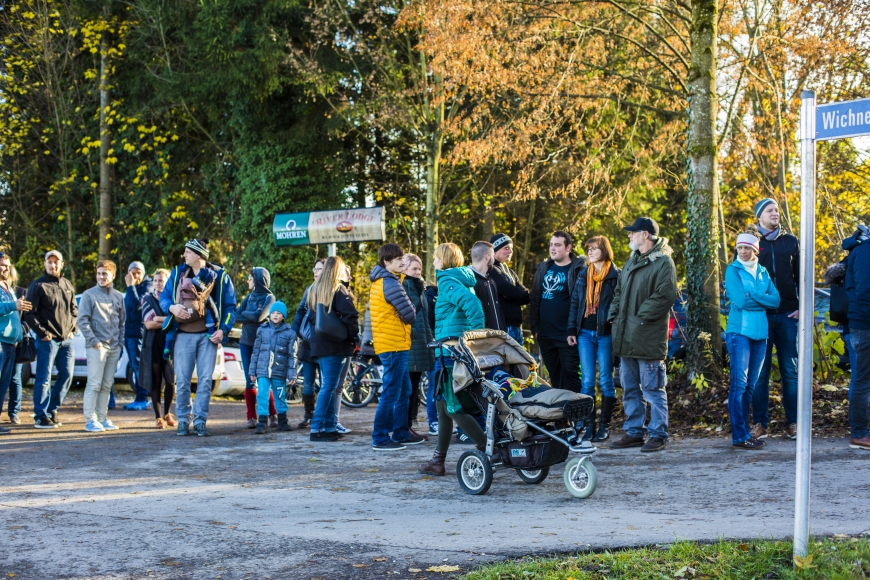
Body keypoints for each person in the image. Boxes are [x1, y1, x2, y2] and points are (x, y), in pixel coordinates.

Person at [608, 217, 677, 453]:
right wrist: (614, 316)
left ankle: (658, 435)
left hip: (647, 335)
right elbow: (619, 292)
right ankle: (634, 432)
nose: (629, 235)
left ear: (645, 234)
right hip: (626, 335)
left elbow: (665, 295)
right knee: (630, 389)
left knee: (652, 389)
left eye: (633, 232)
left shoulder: (663, 262)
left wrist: (639, 318)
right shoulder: (631, 261)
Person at [419, 243, 487, 476]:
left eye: (436, 257)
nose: (433, 262)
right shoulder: (461, 280)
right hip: (447, 353)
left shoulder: (448, 281)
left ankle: (488, 447)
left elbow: (473, 305)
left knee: (453, 408)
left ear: (443, 260)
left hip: (451, 354)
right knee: (442, 408)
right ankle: (437, 461)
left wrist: (475, 338)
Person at [160, 238, 236, 437]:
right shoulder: (178, 273)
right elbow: (164, 297)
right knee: (182, 380)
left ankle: (200, 421)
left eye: (188, 252)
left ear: (199, 255)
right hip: (182, 335)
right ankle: (183, 420)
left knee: (205, 381)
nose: (184, 255)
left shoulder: (219, 275)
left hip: (208, 336)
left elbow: (230, 306)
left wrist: (223, 330)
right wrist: (172, 307)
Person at [724, 233, 780, 450]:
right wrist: (761, 299)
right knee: (739, 385)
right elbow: (740, 301)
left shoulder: (763, 272)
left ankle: (746, 433)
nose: (743, 252)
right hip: (739, 333)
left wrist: (753, 295)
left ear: (755, 250)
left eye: (747, 248)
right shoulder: (733, 270)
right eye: (740, 248)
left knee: (750, 386)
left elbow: (776, 300)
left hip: (760, 334)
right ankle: (739, 436)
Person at [751, 198, 801, 440]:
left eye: (777, 210)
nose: (775, 213)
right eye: (770, 210)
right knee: (760, 373)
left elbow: (802, 276)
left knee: (790, 370)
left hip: (788, 314)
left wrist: (802, 307)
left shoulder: (791, 242)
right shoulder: (751, 243)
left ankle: (793, 423)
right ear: (759, 216)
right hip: (761, 316)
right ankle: (760, 423)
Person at [567, 236, 620, 441]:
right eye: (588, 249)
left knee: (606, 380)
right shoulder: (583, 274)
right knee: (587, 381)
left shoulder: (615, 276)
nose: (589, 252)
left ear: (604, 250)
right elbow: (575, 304)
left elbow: (619, 306)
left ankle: (604, 426)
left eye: (594, 248)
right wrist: (571, 330)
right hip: (584, 334)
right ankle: (589, 425)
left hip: (605, 334)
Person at [369, 243, 422, 451]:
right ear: (386, 262)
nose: (403, 262)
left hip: (395, 343)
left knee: (404, 390)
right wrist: (405, 312)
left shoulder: (388, 281)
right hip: (393, 345)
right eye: (399, 259)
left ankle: (400, 432)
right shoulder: (390, 283)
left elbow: (407, 312)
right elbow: (410, 314)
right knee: (391, 392)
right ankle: (380, 438)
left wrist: (404, 311)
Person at [307, 256, 359, 442]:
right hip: (336, 344)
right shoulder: (338, 289)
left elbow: (311, 318)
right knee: (330, 386)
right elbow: (350, 316)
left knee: (328, 386)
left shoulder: (314, 290)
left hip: (319, 344)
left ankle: (328, 426)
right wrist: (353, 338)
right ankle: (317, 428)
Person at [25, 250, 78, 429]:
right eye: (50, 262)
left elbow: (74, 310)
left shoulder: (67, 284)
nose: (53, 265)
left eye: (56, 262)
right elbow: (29, 314)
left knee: (67, 375)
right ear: (45, 263)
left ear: (61, 264)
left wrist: (73, 329)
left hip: (67, 341)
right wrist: (43, 334)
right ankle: (40, 416)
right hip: (47, 341)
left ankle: (51, 409)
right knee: (43, 378)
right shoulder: (37, 285)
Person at [530, 231, 586, 392]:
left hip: (567, 335)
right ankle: (561, 408)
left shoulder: (578, 270)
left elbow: (580, 303)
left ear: (568, 248)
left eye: (557, 245)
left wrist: (574, 330)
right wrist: (535, 328)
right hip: (545, 334)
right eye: (551, 245)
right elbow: (535, 298)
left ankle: (579, 407)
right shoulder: (543, 268)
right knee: (555, 377)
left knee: (571, 375)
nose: (552, 249)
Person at [78, 260, 126, 433]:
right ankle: (90, 420)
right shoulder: (88, 295)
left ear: (112, 275)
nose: (101, 277)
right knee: (94, 384)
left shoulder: (118, 296)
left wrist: (120, 343)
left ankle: (101, 418)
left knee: (106, 385)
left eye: (104, 273)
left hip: (114, 347)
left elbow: (122, 323)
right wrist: (94, 341)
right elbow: (82, 321)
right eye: (99, 273)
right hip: (97, 347)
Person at [236, 268, 277, 429]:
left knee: (264, 378)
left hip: (263, 344)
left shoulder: (269, 298)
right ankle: (251, 417)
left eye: (250, 278)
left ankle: (272, 414)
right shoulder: (248, 297)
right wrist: (252, 314)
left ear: (259, 280)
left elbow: (259, 317)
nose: (248, 281)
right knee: (250, 380)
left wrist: (249, 314)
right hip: (246, 343)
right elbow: (236, 316)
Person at [249, 301, 297, 434]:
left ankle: (283, 421)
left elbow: (292, 355)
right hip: (262, 370)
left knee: (280, 395)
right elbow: (256, 351)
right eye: (273, 313)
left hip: (279, 371)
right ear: (269, 315)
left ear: (283, 316)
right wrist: (252, 371)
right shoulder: (262, 330)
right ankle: (262, 422)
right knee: (262, 395)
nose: (275, 315)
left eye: (279, 313)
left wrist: (292, 374)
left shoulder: (290, 333)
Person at [402, 254, 434, 437]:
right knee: (408, 389)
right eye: (414, 268)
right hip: (411, 344)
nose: (417, 272)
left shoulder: (418, 287)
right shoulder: (406, 286)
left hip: (420, 342)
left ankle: (409, 425)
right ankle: (405, 427)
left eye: (419, 269)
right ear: (404, 268)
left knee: (414, 388)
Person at [844, 224, 870, 450]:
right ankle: (859, 434)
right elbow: (864, 292)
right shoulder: (864, 251)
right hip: (864, 326)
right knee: (862, 381)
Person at [290, 259, 324, 428]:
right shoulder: (309, 290)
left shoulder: (332, 290)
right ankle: (308, 415)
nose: (315, 272)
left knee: (326, 384)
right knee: (308, 382)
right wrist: (293, 332)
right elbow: (300, 311)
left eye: (319, 269)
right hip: (308, 343)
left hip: (325, 344)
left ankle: (323, 416)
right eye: (315, 269)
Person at [141, 269, 176, 429]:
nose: (158, 283)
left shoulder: (173, 299)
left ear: (167, 281)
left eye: (161, 280)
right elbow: (148, 324)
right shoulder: (147, 299)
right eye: (155, 280)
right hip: (153, 344)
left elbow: (177, 320)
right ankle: (158, 417)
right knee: (155, 380)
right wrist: (169, 320)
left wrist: (158, 318)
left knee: (170, 380)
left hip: (170, 345)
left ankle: (167, 413)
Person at [0, 253, 31, 435]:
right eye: (2, 265)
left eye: (7, 265)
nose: (5, 268)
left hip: (11, 344)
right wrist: (13, 306)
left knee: (4, 385)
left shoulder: (8, 288)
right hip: (1, 343)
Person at [122, 262, 153, 410]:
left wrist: (130, 286)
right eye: (132, 273)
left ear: (143, 273)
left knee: (140, 366)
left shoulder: (147, 287)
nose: (135, 276)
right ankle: (140, 398)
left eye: (138, 273)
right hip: (128, 333)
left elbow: (137, 306)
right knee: (135, 366)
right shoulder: (133, 288)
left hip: (139, 334)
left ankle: (142, 398)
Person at [488, 233, 529, 344]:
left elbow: (526, 297)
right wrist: (515, 293)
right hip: (503, 327)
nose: (510, 251)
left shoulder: (510, 272)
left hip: (516, 327)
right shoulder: (492, 270)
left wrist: (515, 293)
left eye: (511, 248)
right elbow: (511, 291)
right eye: (506, 248)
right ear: (495, 251)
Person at [471, 241, 506, 332]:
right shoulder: (470, 281)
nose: (494, 260)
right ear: (487, 256)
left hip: (497, 336)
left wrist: (502, 331)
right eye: (492, 256)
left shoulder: (491, 281)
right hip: (482, 336)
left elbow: (498, 309)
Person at [424, 278, 440, 435]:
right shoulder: (429, 298)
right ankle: (433, 422)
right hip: (433, 347)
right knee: (434, 385)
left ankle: (440, 420)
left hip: (444, 345)